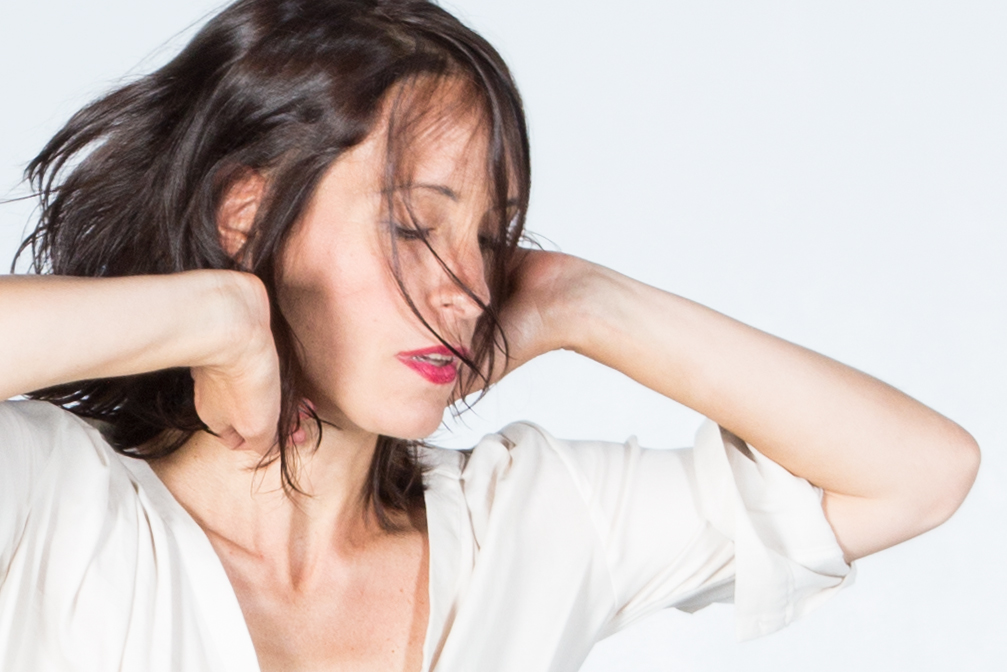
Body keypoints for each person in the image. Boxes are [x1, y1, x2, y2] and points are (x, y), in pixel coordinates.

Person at [0, 0, 980, 670]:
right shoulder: (54, 510)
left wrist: (577, 299)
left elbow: (917, 471)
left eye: (490, 237)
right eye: (413, 225)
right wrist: (208, 315)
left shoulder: (528, 526)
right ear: (246, 217)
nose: (467, 287)